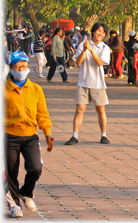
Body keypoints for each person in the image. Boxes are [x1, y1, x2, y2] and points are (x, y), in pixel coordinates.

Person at [4, 51, 54, 218]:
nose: (20, 69)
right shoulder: (4, 90)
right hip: (9, 136)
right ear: (10, 68)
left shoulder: (36, 89)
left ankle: (26, 192)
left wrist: (47, 134)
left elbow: (42, 114)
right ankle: (14, 205)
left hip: (31, 136)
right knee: (11, 171)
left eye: (24, 66)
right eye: (17, 66)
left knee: (35, 167)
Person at [65, 22, 111, 145]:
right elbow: (78, 62)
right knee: (79, 109)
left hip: (98, 83)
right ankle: (75, 136)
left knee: (100, 110)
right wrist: (85, 50)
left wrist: (91, 50)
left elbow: (100, 63)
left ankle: (103, 135)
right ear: (93, 32)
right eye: (98, 31)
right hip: (83, 82)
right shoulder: (82, 44)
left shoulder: (104, 48)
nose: (100, 34)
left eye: (103, 32)